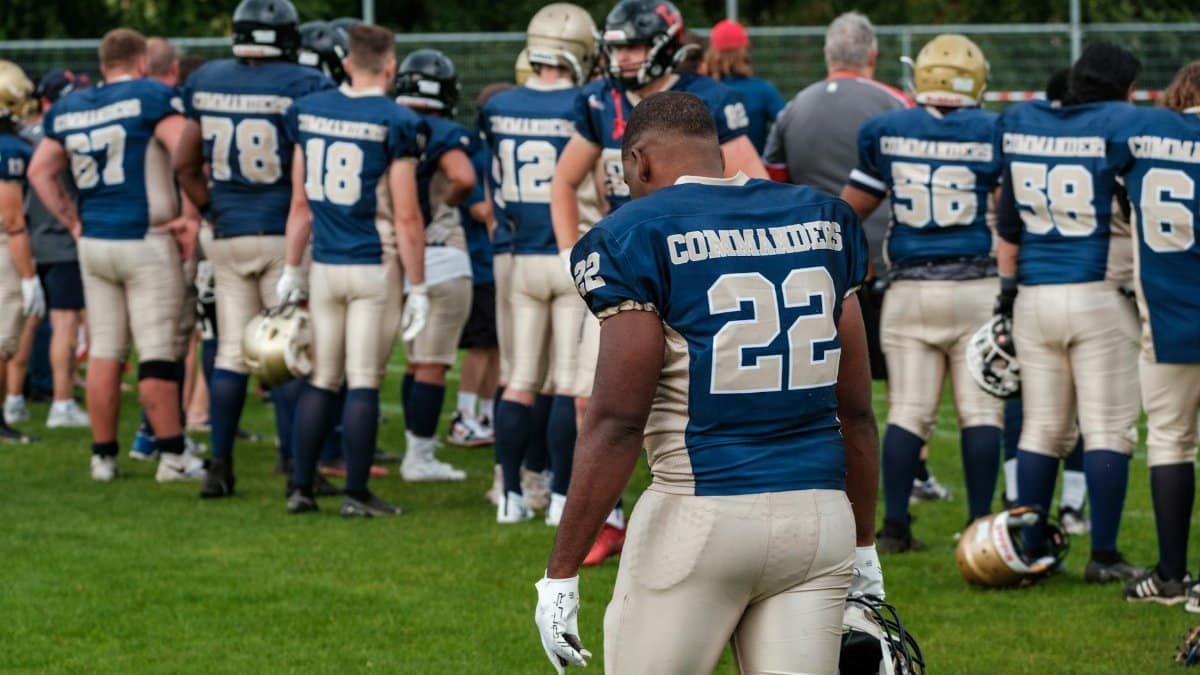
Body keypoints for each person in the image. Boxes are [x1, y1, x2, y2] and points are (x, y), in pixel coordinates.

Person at [534, 91, 881, 674]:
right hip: (820, 522)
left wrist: (561, 572)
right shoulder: (823, 218)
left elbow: (618, 421)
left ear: (640, 162)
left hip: (701, 514)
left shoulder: (633, 233)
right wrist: (864, 545)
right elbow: (858, 411)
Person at [839, 34, 1003, 550]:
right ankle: (978, 525)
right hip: (977, 284)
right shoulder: (993, 130)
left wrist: (850, 264)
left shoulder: (886, 131)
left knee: (909, 410)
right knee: (981, 412)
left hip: (910, 287)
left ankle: (895, 527)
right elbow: (1010, 209)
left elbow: (851, 210)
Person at [996, 42, 1144, 583]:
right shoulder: (1123, 122)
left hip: (1035, 294)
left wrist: (1006, 294)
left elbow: (1007, 222)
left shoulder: (1023, 120)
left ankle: (1031, 550)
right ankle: (1102, 556)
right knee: (1107, 429)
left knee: (1040, 429)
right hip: (1099, 293)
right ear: (1123, 87)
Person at [173, 0, 334, 498]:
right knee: (283, 351)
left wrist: (212, 208)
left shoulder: (208, 80)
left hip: (227, 232)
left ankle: (219, 468)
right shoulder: (305, 83)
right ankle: (295, 467)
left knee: (229, 354)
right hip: (281, 230)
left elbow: (184, 161)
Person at [28, 28, 204, 482]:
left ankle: (103, 457)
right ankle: (172, 457)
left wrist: (72, 220)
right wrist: (192, 211)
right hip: (145, 238)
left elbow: (40, 170)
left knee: (106, 350)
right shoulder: (151, 96)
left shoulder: (71, 107)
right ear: (142, 61)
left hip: (94, 242)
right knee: (158, 353)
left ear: (103, 64)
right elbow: (185, 148)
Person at [278, 23, 429, 516]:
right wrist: (421, 285)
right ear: (390, 67)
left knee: (323, 378)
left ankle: (301, 487)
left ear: (345, 63)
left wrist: (290, 268)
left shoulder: (308, 110)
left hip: (323, 263)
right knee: (363, 379)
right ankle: (355, 494)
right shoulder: (395, 120)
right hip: (373, 263)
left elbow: (300, 204)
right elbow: (407, 217)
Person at [480, 2, 599, 525]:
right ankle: (557, 497)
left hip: (518, 254)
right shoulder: (588, 103)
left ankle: (508, 496)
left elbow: (491, 183)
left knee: (520, 379)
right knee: (569, 384)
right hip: (572, 251)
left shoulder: (498, 104)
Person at [764, 11, 911, 385]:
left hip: (814, 264)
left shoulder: (793, 108)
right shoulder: (897, 104)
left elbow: (775, 185)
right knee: (907, 390)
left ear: (827, 54)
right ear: (872, 57)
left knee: (823, 382)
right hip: (885, 262)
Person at [1110, 62, 1200, 605]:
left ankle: (1170, 576)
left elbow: (1121, 196)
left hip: (1169, 319)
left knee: (1170, 440)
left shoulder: (1142, 137)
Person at [393, 48, 475, 482]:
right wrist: (445, 206)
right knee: (432, 362)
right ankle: (419, 457)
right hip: (441, 255)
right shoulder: (442, 131)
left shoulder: (389, 121)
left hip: (402, 255)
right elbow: (463, 176)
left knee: (415, 359)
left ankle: (415, 446)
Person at [17, 69, 90, 429]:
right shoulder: (66, 136)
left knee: (27, 323)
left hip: (29, 241)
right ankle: (61, 403)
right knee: (65, 325)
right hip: (62, 241)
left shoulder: (23, 135)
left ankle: (14, 399)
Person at [449, 91, 500, 448]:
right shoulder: (476, 152)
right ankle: (463, 416)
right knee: (481, 345)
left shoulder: (492, 149)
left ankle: (487, 413)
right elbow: (479, 209)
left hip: (496, 263)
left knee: (496, 345)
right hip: (481, 260)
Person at [0, 61, 43, 443]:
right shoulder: (9, 149)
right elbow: (12, 220)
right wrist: (29, 277)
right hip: (2, 246)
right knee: (2, 339)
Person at [703, 19, 785, 155]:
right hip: (756, 171)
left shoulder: (703, 91)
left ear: (712, 53)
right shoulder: (762, 90)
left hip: (713, 173)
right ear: (744, 52)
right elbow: (788, 126)